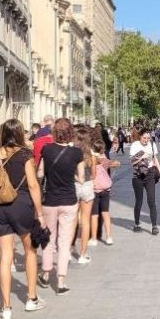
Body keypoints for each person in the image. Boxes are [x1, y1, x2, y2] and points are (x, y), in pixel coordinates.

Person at [0, 119, 46, 319]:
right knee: (30, 251)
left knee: (5, 257)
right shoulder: (25, 154)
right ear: (19, 133)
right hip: (23, 205)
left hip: (0, 208)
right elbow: (34, 186)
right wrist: (40, 213)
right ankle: (32, 299)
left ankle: (6, 308)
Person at [38, 118, 84, 296]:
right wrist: (69, 175)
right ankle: (61, 281)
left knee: (49, 239)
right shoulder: (76, 153)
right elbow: (80, 178)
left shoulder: (46, 150)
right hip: (69, 201)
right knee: (65, 242)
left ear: (55, 132)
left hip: (50, 200)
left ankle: (45, 273)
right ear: (70, 132)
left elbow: (40, 173)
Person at [130, 128, 160, 235]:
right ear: (140, 136)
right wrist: (141, 156)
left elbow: (155, 159)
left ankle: (154, 226)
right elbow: (132, 161)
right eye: (144, 138)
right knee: (139, 201)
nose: (146, 140)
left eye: (148, 138)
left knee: (151, 201)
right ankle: (137, 223)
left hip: (150, 174)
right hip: (138, 175)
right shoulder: (135, 145)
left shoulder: (152, 144)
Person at [74, 128, 97, 264]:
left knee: (71, 219)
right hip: (87, 185)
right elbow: (94, 175)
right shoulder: (91, 155)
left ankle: (69, 249)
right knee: (86, 220)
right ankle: (82, 254)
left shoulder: (72, 153)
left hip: (74, 186)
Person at [90, 140, 119, 245]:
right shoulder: (104, 160)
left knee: (94, 215)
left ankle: (93, 238)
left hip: (95, 189)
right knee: (106, 213)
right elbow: (114, 163)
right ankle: (109, 237)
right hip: (105, 190)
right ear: (102, 149)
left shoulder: (91, 160)